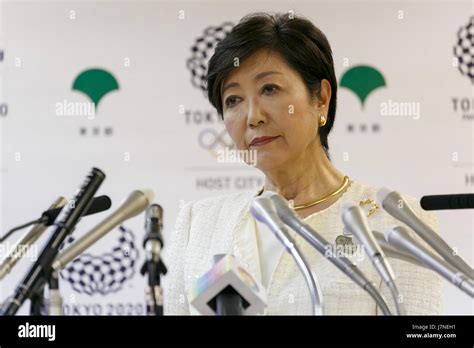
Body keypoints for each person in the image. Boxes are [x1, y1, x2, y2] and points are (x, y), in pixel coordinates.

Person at [163, 12, 442, 315]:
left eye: (269, 89)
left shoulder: (394, 222)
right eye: (233, 100)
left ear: (321, 99)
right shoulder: (199, 224)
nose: (252, 116)